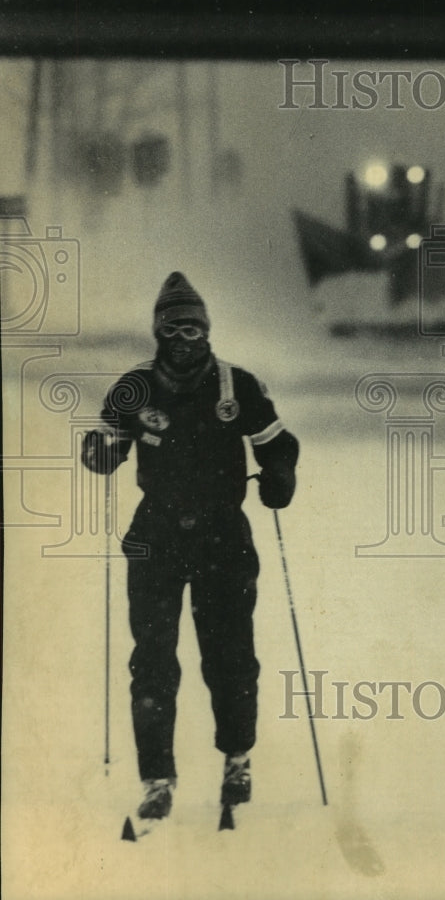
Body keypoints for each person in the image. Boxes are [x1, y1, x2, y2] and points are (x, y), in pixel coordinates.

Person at [82, 271, 299, 820]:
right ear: (158, 334)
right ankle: (157, 775)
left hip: (223, 535)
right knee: (152, 661)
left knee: (230, 656)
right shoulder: (136, 387)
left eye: (195, 329)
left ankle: (237, 759)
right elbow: (107, 442)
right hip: (155, 535)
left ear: (208, 332)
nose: (185, 341)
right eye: (174, 329)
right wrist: (99, 452)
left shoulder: (236, 385)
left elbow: (277, 442)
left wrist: (279, 474)